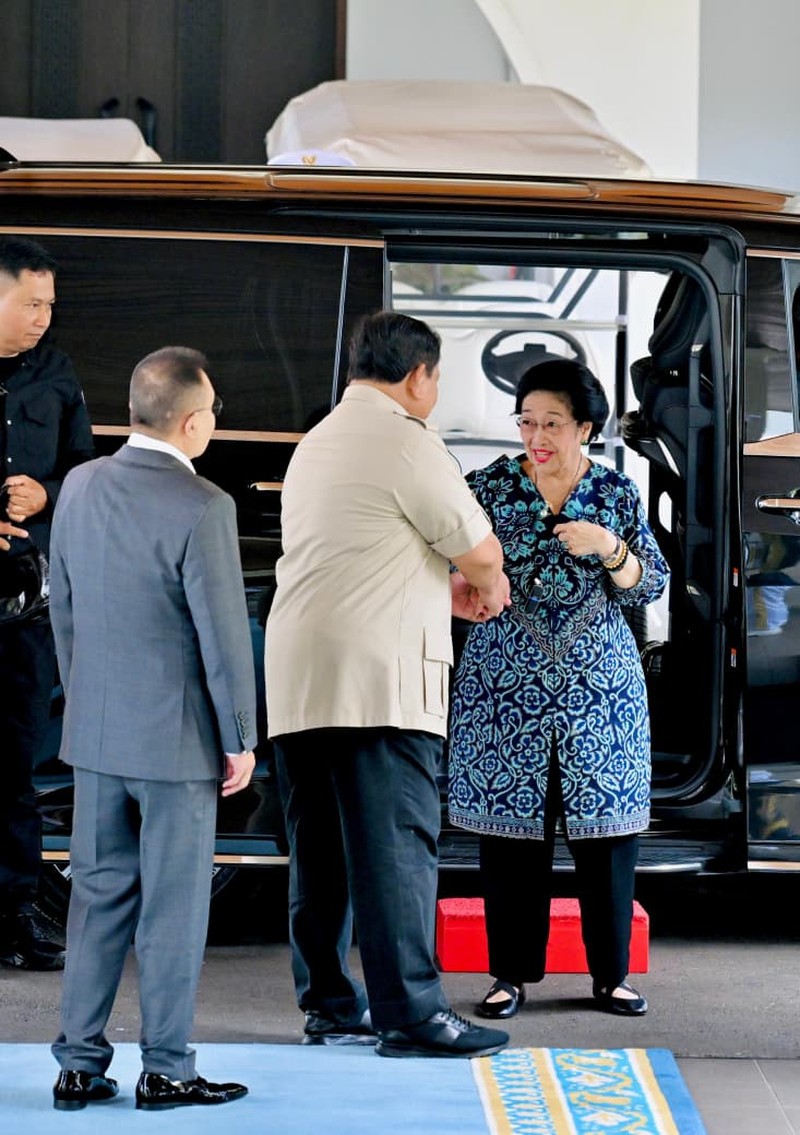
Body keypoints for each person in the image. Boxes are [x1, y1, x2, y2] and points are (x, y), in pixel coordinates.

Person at [265, 310, 512, 1059]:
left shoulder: (319, 440)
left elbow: (364, 549)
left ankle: (331, 1005)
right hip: (380, 679)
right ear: (419, 376)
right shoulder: (408, 441)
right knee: (398, 847)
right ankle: (412, 1013)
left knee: (323, 851)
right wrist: (484, 586)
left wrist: (441, 587)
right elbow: (481, 549)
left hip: (302, 677)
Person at [49, 347, 257, 1111]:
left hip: (96, 737)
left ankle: (77, 1063)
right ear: (193, 419)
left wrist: (87, 699)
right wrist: (240, 736)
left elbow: (62, 606)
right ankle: (166, 1067)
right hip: (176, 747)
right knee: (172, 908)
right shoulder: (205, 504)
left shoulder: (78, 485)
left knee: (95, 898)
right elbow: (223, 637)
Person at [448, 357, 669, 1021]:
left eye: (552, 423)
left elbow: (651, 582)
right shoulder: (485, 487)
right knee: (511, 836)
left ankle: (611, 976)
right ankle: (509, 975)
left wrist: (609, 548)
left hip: (598, 685)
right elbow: (445, 563)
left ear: (586, 428)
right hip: (503, 681)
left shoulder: (615, 492)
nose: (536, 435)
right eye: (527, 420)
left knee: (605, 839)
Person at [0, 236, 95, 972]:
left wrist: (48, 495)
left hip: (22, 601)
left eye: (49, 305)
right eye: (32, 302)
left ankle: (15, 915)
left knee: (16, 765)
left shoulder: (56, 372)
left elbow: (85, 472)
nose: (43, 316)